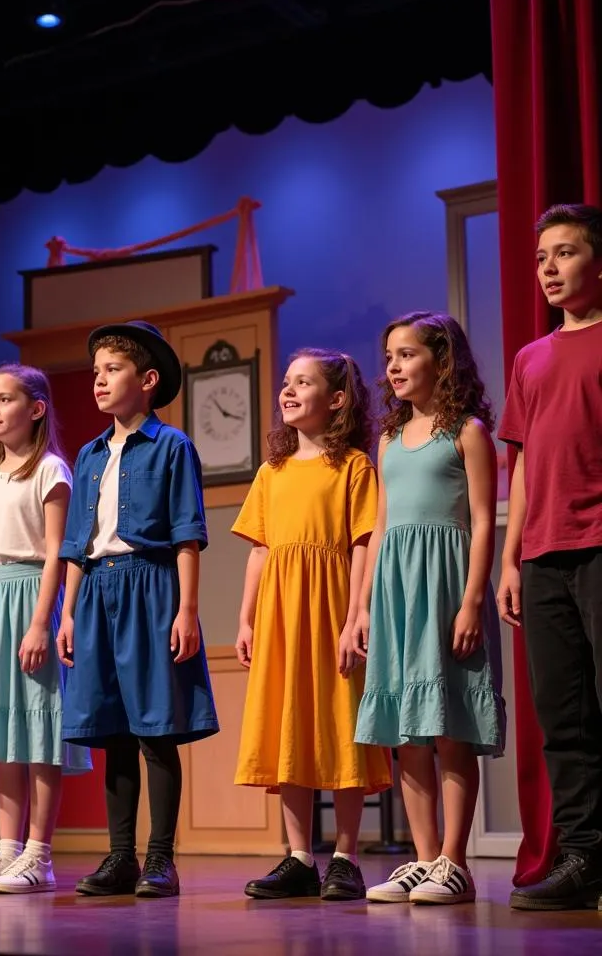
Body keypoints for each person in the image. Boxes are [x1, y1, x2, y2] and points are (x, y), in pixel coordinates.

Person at [57, 320, 219, 900]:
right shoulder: (90, 453)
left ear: (147, 380)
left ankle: (160, 859)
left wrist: (187, 610)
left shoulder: (172, 447)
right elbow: (77, 541)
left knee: (156, 726)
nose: (99, 380)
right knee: (112, 729)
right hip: (98, 590)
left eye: (113, 370)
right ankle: (120, 855)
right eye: (96, 371)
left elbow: (186, 534)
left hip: (151, 588)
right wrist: (68, 612)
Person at [354, 311, 505, 906]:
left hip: (444, 584)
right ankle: (421, 859)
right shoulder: (389, 439)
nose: (393, 366)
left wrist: (472, 601)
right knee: (408, 732)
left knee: (447, 728)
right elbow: (383, 522)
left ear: (441, 361)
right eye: (389, 355)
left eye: (407, 354)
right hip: (396, 587)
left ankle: (454, 861)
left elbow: (483, 521)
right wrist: (363, 605)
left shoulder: (467, 431)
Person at [233, 348, 391, 902]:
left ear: (338, 399)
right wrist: (247, 617)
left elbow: (364, 544)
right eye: (286, 382)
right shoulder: (271, 472)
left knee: (341, 721)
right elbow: (258, 550)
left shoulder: (353, 466)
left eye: (304, 382)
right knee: (289, 724)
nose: (289, 391)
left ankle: (345, 855)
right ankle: (299, 856)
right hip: (280, 614)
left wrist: (356, 616)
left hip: (331, 612)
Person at [0, 364, 92, 895]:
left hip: (33, 598)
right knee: (4, 732)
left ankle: (39, 854)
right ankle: (7, 850)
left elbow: (59, 550)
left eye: (5, 399)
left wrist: (40, 622)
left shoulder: (50, 470)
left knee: (37, 727)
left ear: (35, 409)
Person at [500, 204, 602, 912]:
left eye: (564, 254)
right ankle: (584, 858)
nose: (549, 270)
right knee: (562, 718)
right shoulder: (530, 359)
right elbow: (528, 462)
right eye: (542, 259)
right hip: (543, 557)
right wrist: (512, 559)